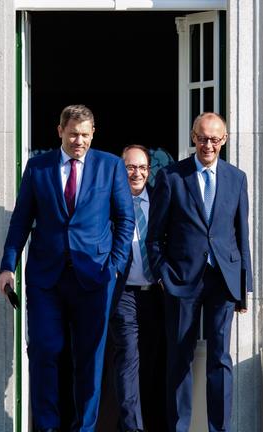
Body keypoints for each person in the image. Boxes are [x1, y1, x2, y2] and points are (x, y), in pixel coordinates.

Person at [0, 105, 134, 432]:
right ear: (59, 131)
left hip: (95, 278)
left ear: (93, 133)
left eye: (86, 135)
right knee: (45, 349)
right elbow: (21, 221)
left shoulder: (110, 166)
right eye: (73, 134)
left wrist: (114, 265)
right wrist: (7, 266)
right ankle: (46, 427)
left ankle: (83, 428)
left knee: (89, 360)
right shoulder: (38, 168)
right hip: (47, 279)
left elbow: (125, 220)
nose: (79, 141)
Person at [147, 112, 252, 432]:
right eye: (203, 138)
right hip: (182, 281)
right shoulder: (171, 177)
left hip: (223, 279)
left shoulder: (237, 178)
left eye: (215, 139)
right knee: (179, 359)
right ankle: (179, 428)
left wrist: (244, 285)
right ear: (193, 137)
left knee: (220, 360)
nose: (209, 145)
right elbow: (154, 237)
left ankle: (219, 429)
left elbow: (241, 233)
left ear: (225, 140)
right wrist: (163, 275)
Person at [109, 145, 166, 432]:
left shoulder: (160, 200)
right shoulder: (108, 202)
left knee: (151, 364)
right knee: (128, 358)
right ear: (120, 170)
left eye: (143, 167)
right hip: (124, 294)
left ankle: (133, 423)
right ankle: (133, 428)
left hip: (156, 295)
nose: (138, 173)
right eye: (131, 167)